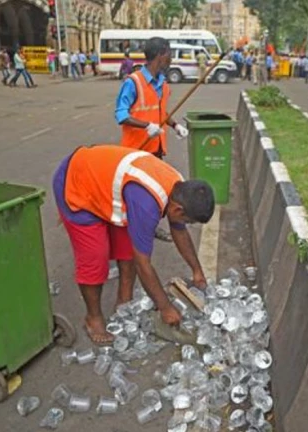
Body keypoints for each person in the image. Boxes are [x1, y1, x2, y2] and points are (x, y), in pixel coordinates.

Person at [52, 144, 215, 344]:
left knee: (127, 249)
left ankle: (124, 301)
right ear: (179, 210)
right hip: (76, 182)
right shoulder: (147, 205)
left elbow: (179, 230)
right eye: (189, 220)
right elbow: (143, 264)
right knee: (95, 258)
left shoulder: (179, 188)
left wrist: (197, 270)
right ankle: (93, 318)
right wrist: (165, 308)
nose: (186, 225)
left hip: (107, 183)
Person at [115, 37, 190, 241]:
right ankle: (132, 232)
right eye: (170, 54)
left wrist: (175, 126)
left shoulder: (162, 84)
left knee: (157, 190)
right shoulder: (133, 82)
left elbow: (160, 111)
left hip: (155, 149)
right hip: (136, 152)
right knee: (137, 195)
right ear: (160, 55)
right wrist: (146, 126)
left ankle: (151, 225)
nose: (171, 58)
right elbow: (121, 115)